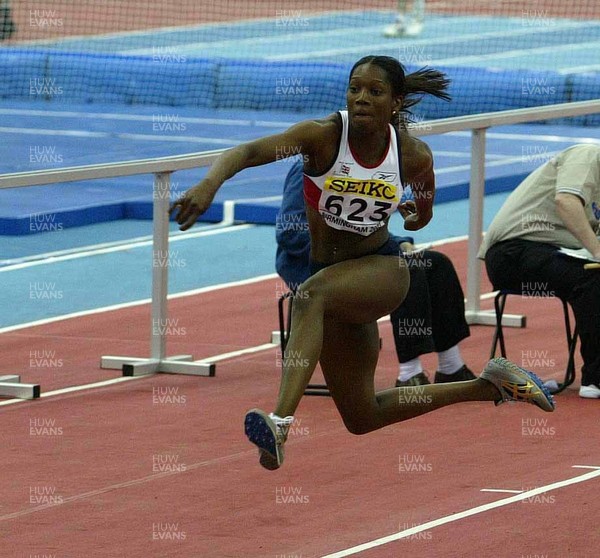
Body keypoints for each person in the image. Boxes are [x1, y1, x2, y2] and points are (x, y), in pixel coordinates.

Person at [171, 55, 555, 471]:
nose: (361, 98)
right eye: (355, 88)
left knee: (309, 295)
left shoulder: (412, 156)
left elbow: (423, 214)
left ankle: (280, 423)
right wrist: (209, 184)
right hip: (334, 280)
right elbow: (247, 151)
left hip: (382, 270)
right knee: (362, 415)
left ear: (396, 101)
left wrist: (411, 214)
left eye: (374, 91)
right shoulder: (320, 137)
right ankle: (487, 386)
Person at [276, 159, 476, 387]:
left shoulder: (364, 169)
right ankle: (409, 373)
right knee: (405, 270)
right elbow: (290, 234)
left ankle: (451, 366)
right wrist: (348, 250)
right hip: (313, 265)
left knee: (435, 264)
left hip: (362, 258)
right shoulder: (309, 168)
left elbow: (370, 229)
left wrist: (399, 243)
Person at [479, 144, 600, 400]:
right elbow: (566, 201)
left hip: (549, 253)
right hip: (511, 253)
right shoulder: (588, 155)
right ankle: (596, 378)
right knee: (593, 280)